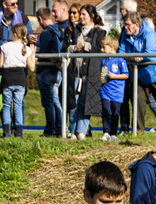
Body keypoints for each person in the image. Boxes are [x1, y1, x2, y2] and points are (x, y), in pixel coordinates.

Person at [119, 11, 156, 132]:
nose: (125, 27)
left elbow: (151, 54)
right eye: (125, 24)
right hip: (140, 75)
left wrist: (140, 57)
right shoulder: (125, 35)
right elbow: (121, 54)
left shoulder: (149, 34)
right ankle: (138, 132)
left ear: (136, 25)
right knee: (137, 100)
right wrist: (134, 58)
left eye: (128, 24)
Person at [67, 3, 104, 139]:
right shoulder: (74, 30)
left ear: (92, 16)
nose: (80, 17)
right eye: (80, 14)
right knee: (73, 103)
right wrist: (73, 48)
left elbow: (100, 49)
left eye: (83, 14)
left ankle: (82, 131)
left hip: (89, 74)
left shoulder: (100, 32)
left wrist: (86, 46)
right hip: (74, 72)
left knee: (85, 104)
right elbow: (66, 46)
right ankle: (72, 131)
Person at [35, 4, 67, 138]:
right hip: (57, 72)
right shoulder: (59, 30)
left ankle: (50, 129)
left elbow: (44, 52)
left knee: (48, 102)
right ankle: (60, 127)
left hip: (46, 72)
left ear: (41, 19)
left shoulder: (46, 32)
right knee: (55, 101)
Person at [0, 23, 34, 138]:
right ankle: (18, 132)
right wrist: (33, 53)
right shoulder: (26, 49)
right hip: (20, 79)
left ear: (13, 34)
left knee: (6, 105)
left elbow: (0, 64)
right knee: (18, 105)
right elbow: (32, 67)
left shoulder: (5, 46)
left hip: (7, 79)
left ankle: (6, 131)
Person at [99, 34, 128, 141]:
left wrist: (114, 76)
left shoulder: (120, 60)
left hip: (117, 93)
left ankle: (113, 133)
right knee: (106, 111)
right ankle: (106, 132)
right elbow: (103, 78)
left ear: (112, 48)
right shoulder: (104, 61)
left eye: (103, 47)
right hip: (105, 91)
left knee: (115, 113)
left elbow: (126, 75)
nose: (101, 50)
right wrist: (102, 77)